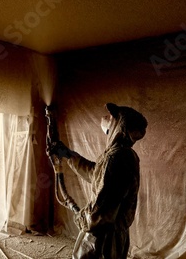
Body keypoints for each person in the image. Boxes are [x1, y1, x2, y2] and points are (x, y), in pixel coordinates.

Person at [48, 103, 148, 259]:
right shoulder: (121, 154)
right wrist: (66, 153)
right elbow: (95, 174)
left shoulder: (117, 158)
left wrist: (82, 218)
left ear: (118, 126)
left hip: (102, 237)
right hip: (109, 232)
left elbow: (102, 210)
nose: (105, 118)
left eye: (110, 117)